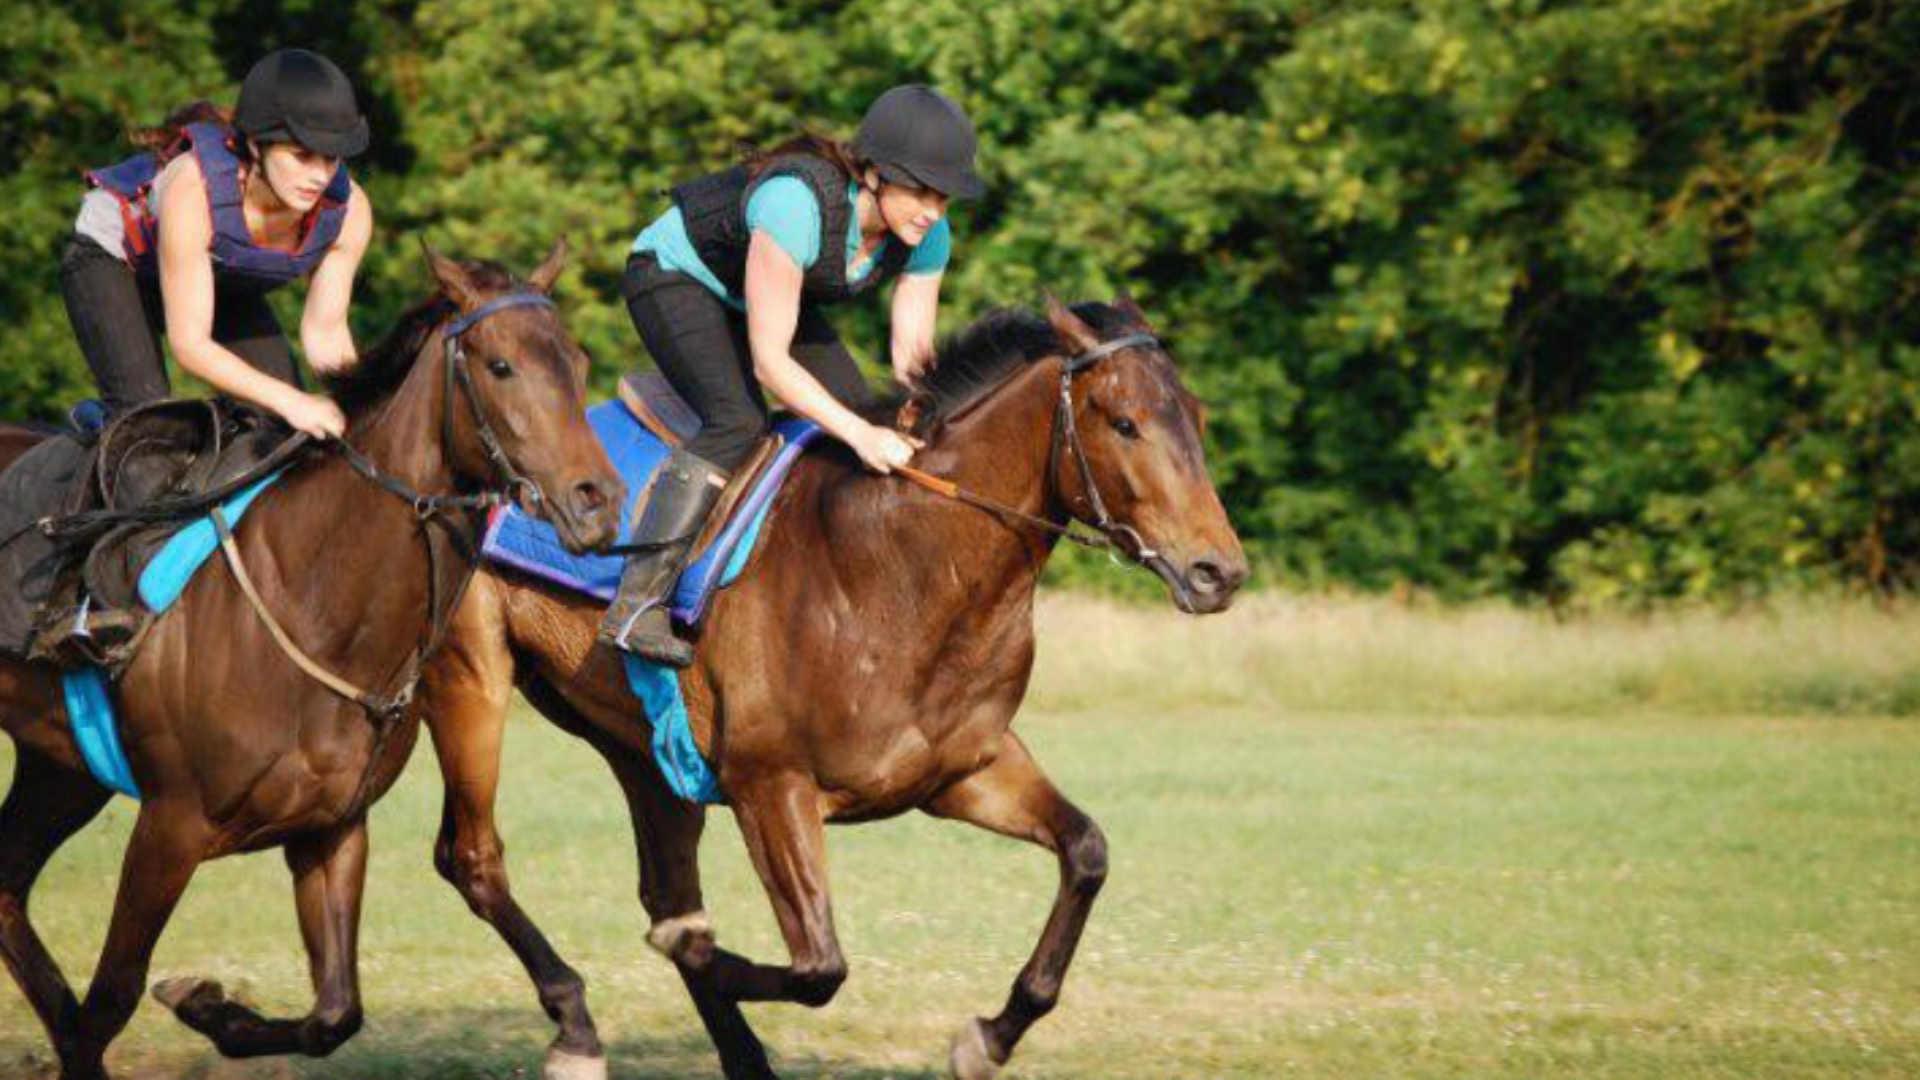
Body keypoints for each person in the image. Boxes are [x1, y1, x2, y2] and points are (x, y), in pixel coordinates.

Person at [604, 84, 985, 665]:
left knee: (867, 408)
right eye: (922, 191)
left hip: (764, 294)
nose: (934, 210)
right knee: (739, 418)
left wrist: (912, 419)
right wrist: (860, 435)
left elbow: (913, 355)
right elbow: (771, 365)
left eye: (946, 197)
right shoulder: (795, 204)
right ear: (875, 174)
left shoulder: (929, 236)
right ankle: (636, 604)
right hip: (675, 277)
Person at [63, 47, 374, 439]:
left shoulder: (349, 211)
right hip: (113, 260)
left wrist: (364, 409)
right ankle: (99, 426)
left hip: (218, 275)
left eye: (331, 160)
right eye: (301, 156)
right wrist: (293, 401)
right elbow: (190, 344)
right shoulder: (194, 188)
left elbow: (326, 335)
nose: (319, 176)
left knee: (281, 429)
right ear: (256, 146)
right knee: (147, 421)